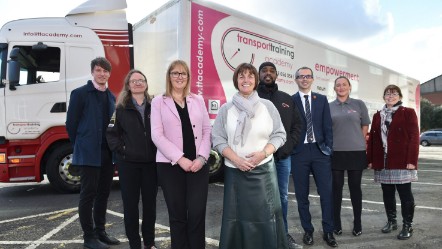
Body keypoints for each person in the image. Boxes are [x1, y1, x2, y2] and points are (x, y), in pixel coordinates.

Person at [212, 62, 288, 249]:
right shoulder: (226, 109)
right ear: (236, 80)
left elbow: (280, 135)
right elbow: (218, 139)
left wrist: (262, 154)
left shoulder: (267, 106)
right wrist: (236, 160)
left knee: (265, 217)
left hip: (264, 172)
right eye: (241, 76)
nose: (246, 80)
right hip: (235, 172)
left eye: (250, 76)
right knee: (236, 218)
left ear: (255, 81)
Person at [150, 60, 211, 249]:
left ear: (188, 77)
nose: (179, 77)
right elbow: (156, 135)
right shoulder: (159, 101)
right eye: (175, 73)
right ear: (169, 76)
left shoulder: (198, 99)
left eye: (183, 73)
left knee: (196, 213)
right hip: (170, 166)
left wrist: (201, 158)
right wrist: (180, 158)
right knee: (177, 215)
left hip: (198, 166)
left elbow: (207, 130)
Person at [66, 57, 120, 249]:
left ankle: (100, 232)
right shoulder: (80, 94)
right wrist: (81, 144)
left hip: (107, 154)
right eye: (98, 70)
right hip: (89, 153)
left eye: (105, 71)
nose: (102, 74)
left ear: (109, 74)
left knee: (103, 194)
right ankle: (89, 238)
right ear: (92, 72)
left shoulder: (111, 97)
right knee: (88, 195)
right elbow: (71, 124)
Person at [106, 69, 158, 249]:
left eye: (141, 80)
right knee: (130, 207)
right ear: (128, 85)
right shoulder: (121, 108)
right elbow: (111, 135)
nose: (138, 83)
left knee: (150, 206)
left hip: (151, 164)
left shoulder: (155, 105)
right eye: (134, 81)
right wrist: (124, 151)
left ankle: (149, 243)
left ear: (146, 84)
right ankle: (135, 244)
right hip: (128, 164)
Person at [256, 62, 303, 249]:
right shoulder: (253, 97)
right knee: (259, 197)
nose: (268, 74)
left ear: (276, 75)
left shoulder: (286, 99)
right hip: (259, 159)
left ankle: (282, 235)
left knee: (282, 197)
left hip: (283, 158)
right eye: (264, 71)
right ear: (258, 75)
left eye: (271, 71)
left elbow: (297, 126)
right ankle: (261, 236)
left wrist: (287, 147)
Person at [291, 66, 337, 247]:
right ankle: (308, 230)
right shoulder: (291, 101)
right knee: (302, 196)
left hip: (320, 152)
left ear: (312, 79)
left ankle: (328, 231)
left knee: (326, 193)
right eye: (301, 77)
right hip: (299, 153)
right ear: (296, 80)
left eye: (307, 76)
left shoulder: (322, 100)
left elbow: (328, 127)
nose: (304, 79)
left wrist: (328, 149)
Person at [367, 84, 419, 240]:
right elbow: (373, 140)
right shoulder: (378, 115)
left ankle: (407, 225)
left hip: (401, 161)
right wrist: (370, 159)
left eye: (394, 93)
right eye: (387, 94)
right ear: (384, 97)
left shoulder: (408, 113)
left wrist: (411, 160)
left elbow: (414, 137)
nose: (390, 96)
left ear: (400, 96)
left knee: (405, 195)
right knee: (387, 193)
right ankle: (392, 221)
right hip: (383, 162)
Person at [329, 76, 370, 237]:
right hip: (336, 152)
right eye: (338, 85)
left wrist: (359, 140)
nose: (341, 87)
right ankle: (336, 223)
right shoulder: (329, 106)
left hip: (356, 152)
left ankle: (357, 223)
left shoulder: (359, 104)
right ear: (334, 88)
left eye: (344, 85)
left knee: (355, 189)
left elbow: (365, 124)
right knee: (336, 190)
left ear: (349, 87)